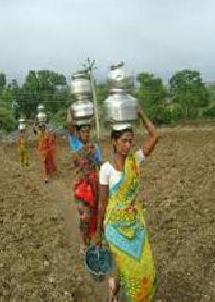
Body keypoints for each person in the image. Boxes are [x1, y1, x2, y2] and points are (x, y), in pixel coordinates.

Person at [97, 107, 159, 301]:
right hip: (115, 228)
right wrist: (98, 235)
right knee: (130, 270)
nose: (128, 144)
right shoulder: (106, 169)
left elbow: (154, 135)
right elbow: (102, 204)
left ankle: (114, 288)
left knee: (146, 268)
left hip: (135, 225)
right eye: (124, 140)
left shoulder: (135, 160)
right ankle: (119, 292)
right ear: (114, 142)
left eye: (131, 140)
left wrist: (139, 112)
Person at [67, 110, 102, 254]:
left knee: (95, 216)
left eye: (88, 132)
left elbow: (100, 165)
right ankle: (83, 243)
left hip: (94, 187)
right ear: (78, 133)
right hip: (81, 188)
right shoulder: (75, 144)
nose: (86, 134)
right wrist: (72, 110)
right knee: (85, 217)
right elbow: (69, 124)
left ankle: (94, 242)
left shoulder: (95, 148)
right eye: (83, 132)